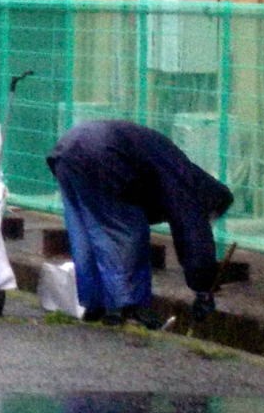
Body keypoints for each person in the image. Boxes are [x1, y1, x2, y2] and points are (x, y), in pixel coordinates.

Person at [45, 119, 234, 328]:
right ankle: (127, 306)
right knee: (127, 232)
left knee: (86, 233)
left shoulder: (175, 169)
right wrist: (202, 287)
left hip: (67, 152)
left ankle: (95, 303)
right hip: (102, 155)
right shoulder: (187, 188)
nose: (210, 221)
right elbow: (192, 234)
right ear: (208, 202)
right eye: (212, 215)